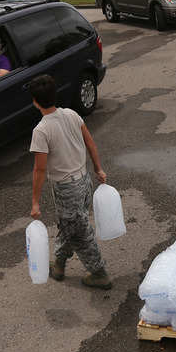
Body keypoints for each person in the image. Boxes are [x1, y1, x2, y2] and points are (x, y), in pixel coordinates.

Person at [29, 74, 111, 289]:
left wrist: (35, 202)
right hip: (84, 181)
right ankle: (59, 264)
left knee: (80, 233)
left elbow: (39, 169)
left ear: (35, 101)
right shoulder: (72, 114)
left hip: (67, 188)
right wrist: (98, 169)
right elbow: (90, 143)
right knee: (70, 226)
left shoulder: (41, 130)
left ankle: (99, 273)